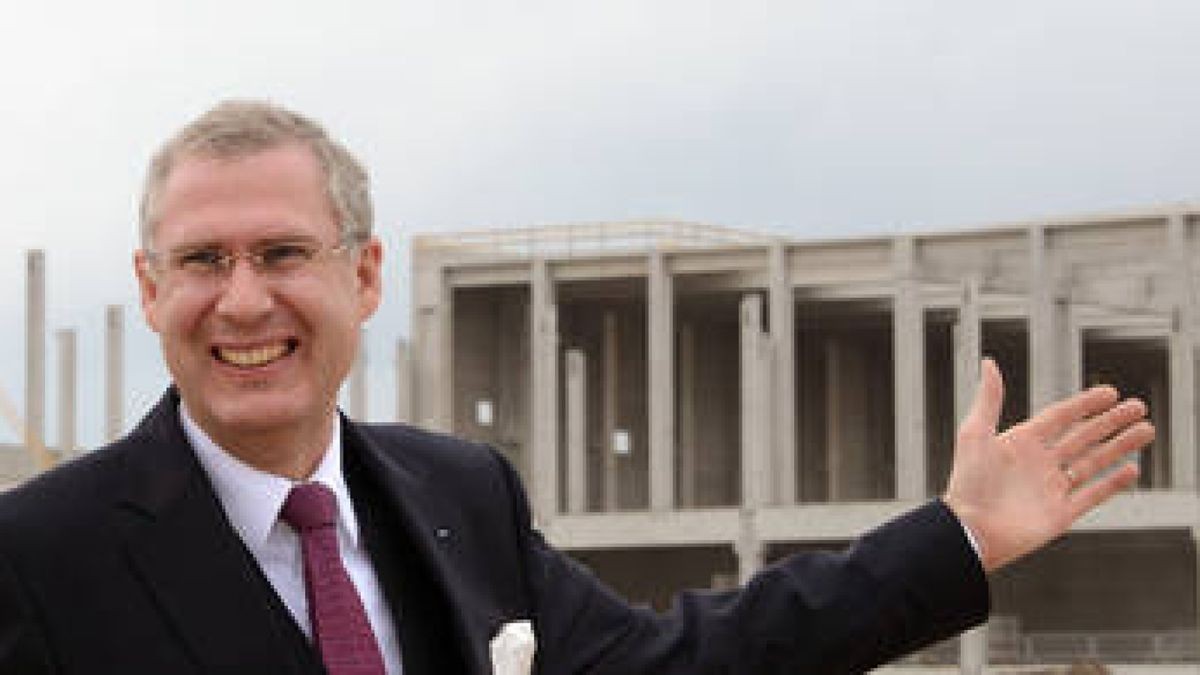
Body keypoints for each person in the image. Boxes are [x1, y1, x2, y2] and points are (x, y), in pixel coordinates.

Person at [0, 101, 1153, 675]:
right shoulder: (38, 556)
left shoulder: (459, 493)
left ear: (364, 274)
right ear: (151, 291)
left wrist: (955, 539)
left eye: (282, 254)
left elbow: (688, 663)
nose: (242, 302)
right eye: (203, 262)